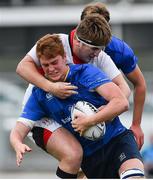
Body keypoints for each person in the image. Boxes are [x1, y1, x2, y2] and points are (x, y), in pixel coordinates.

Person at [10, 34, 145, 178]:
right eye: (45, 65)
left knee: (135, 177)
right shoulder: (39, 96)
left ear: (64, 58)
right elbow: (18, 130)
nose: (51, 69)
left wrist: (90, 120)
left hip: (118, 141)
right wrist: (17, 144)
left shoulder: (85, 73)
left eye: (54, 62)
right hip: (91, 157)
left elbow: (121, 103)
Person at [80, 2, 146, 151]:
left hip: (104, 107)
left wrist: (136, 124)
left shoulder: (119, 50)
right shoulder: (69, 45)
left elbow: (139, 84)